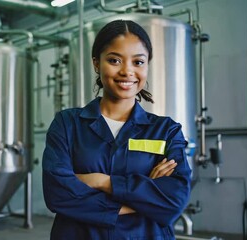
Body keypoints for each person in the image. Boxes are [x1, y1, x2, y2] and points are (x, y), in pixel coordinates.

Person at [42, 19, 191, 240]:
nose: (127, 71)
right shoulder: (67, 124)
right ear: (96, 63)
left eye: (138, 62)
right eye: (114, 60)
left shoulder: (166, 130)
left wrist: (103, 182)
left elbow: (174, 199)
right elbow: (58, 193)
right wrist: (142, 199)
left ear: (147, 65)